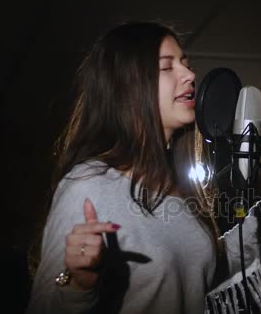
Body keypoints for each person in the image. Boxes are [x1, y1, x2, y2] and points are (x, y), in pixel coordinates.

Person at [26, 21, 221, 314]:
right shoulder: (88, 185)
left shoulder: (180, 186)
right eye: (167, 67)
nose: (190, 75)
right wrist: (79, 283)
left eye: (185, 64)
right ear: (129, 86)